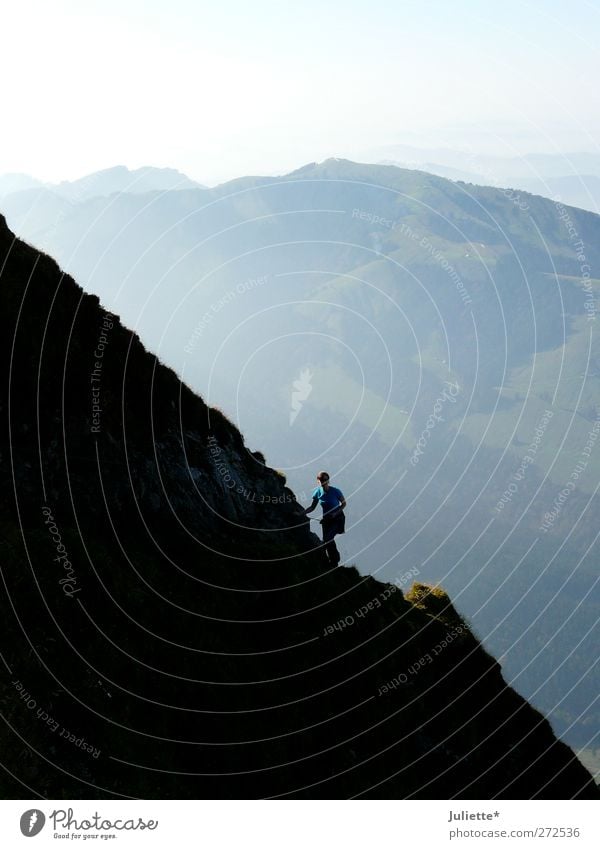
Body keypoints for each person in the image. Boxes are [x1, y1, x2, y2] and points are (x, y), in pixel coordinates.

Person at [305, 471, 346, 566]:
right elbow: (312, 507)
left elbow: (344, 504)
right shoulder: (317, 492)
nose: (324, 481)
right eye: (322, 480)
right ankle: (332, 561)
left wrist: (335, 513)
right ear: (318, 481)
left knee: (328, 538)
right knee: (327, 539)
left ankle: (334, 560)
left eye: (326, 480)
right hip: (327, 519)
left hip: (338, 518)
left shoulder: (336, 491)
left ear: (328, 480)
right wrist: (300, 513)